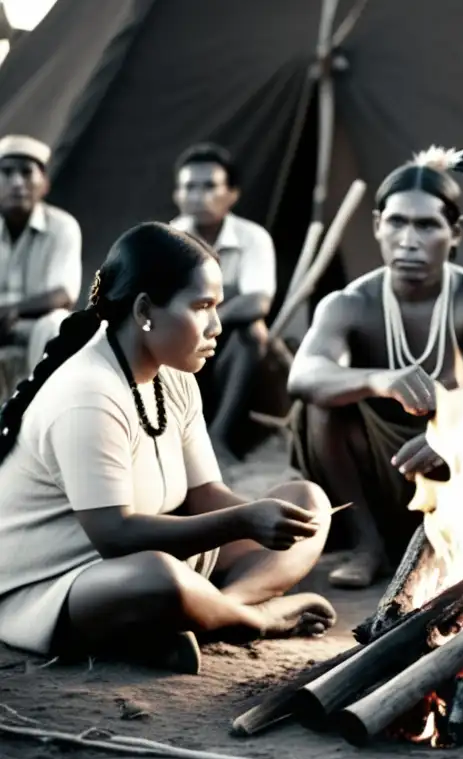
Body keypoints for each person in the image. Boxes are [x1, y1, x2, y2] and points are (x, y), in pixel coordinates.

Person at [0, 223, 335, 674]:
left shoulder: (173, 375)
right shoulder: (87, 393)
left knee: (310, 505)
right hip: (63, 583)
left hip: (160, 558)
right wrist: (242, 521)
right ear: (145, 311)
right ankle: (251, 619)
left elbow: (205, 493)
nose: (217, 325)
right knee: (160, 580)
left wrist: (267, 519)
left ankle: (210, 613)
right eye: (203, 307)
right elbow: (114, 537)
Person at [287, 139, 463, 589]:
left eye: (427, 225)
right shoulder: (350, 303)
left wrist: (454, 429)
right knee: (317, 405)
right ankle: (366, 543)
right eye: (396, 223)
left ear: (456, 232)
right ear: (377, 225)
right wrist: (380, 379)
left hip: (447, 458)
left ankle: (446, 546)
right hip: (376, 465)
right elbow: (303, 374)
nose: (409, 241)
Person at [170, 143, 278, 462]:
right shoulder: (168, 238)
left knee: (254, 332)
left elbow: (257, 302)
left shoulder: (252, 237)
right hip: (180, 338)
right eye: (190, 187)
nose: (199, 196)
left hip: (227, 341)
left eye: (210, 186)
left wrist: (209, 320)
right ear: (177, 195)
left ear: (232, 194)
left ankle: (220, 435)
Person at [0, 134, 82, 369]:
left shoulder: (62, 226)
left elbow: (63, 294)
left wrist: (13, 311)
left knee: (57, 324)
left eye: (26, 173)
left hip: (32, 327)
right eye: (6, 173)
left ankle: (39, 400)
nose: (17, 182)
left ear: (44, 183)